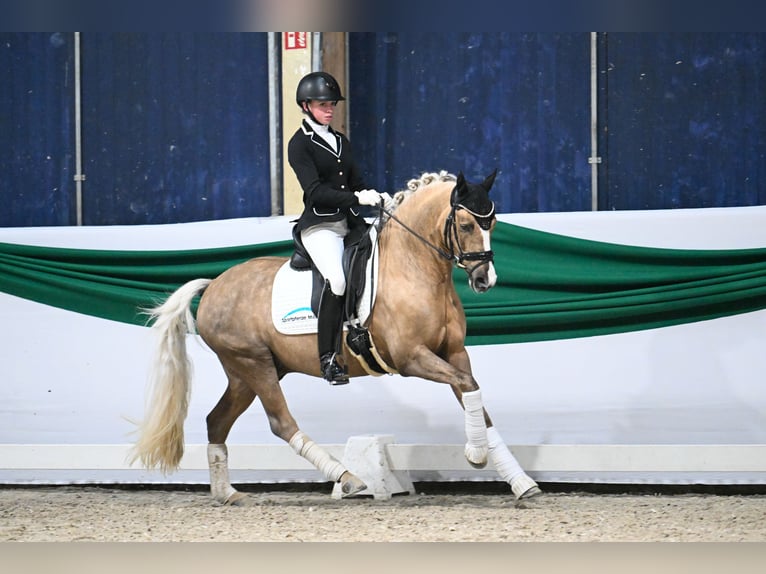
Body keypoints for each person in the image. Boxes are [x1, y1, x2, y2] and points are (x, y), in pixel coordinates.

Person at [287, 71, 386, 385]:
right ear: (306, 105)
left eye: (332, 103)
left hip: (350, 221)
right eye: (322, 104)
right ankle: (328, 357)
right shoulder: (299, 144)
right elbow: (314, 191)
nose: (329, 109)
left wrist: (380, 196)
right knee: (337, 280)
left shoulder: (341, 141)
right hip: (321, 225)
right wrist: (356, 197)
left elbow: (357, 183)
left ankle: (359, 326)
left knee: (379, 262)